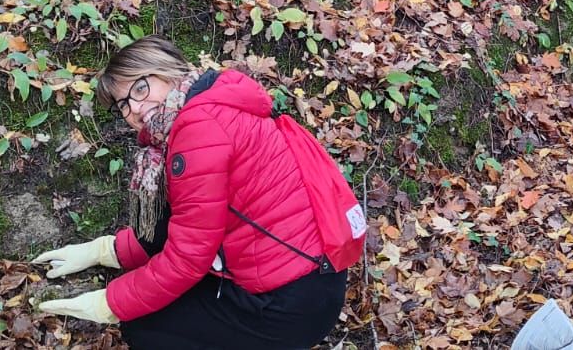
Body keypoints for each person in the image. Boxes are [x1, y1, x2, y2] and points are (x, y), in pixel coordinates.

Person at [30, 37, 358, 349]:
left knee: (145, 327)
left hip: (289, 303)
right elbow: (179, 224)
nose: (135, 109)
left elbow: (188, 257)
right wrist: (105, 251)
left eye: (141, 87)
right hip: (313, 281)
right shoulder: (213, 102)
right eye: (123, 105)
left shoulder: (198, 129)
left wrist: (109, 303)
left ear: (168, 71)